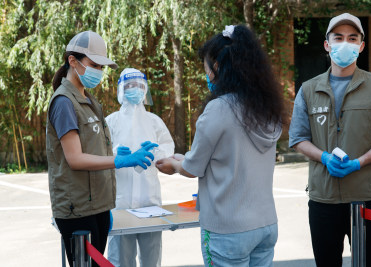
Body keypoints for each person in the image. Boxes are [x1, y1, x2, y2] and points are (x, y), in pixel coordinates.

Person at [156, 24, 285, 267]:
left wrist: (174, 164)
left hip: (228, 229)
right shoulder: (268, 108)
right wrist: (185, 159)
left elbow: (193, 167)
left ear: (216, 68)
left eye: (206, 68)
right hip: (266, 224)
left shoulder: (218, 109)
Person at [289, 13, 371, 267]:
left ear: (361, 46)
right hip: (323, 199)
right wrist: (324, 157)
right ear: (327, 45)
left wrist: (359, 162)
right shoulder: (308, 89)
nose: (345, 43)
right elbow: (298, 138)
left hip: (366, 196)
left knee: (367, 263)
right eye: (338, 38)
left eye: (352, 38)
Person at [46, 31, 157, 267]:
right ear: (72, 61)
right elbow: (74, 158)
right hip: (77, 209)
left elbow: (92, 147)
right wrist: (117, 161)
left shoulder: (90, 101)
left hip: (97, 205)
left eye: (102, 66)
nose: (99, 71)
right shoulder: (64, 103)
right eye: (94, 64)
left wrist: (119, 154)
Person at [106, 68, 175, 267]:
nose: (134, 89)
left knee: (151, 258)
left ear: (145, 90)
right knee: (121, 259)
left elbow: (167, 146)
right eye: (129, 86)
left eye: (138, 86)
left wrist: (154, 154)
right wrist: (118, 155)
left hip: (149, 201)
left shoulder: (154, 122)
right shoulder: (111, 122)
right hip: (121, 201)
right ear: (121, 89)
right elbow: (100, 153)